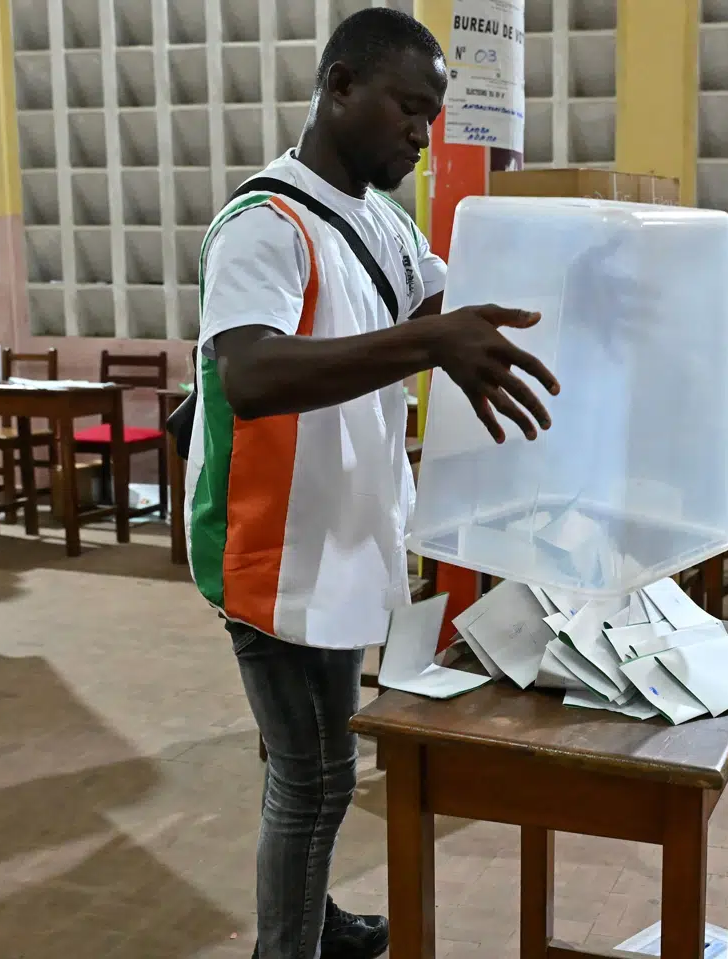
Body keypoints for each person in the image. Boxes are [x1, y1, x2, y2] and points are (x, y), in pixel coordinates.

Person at [184, 10, 560, 958]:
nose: (421, 134)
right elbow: (254, 375)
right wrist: (431, 340)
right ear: (340, 86)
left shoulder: (383, 226)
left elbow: (446, 309)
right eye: (409, 107)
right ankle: (289, 944)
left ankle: (314, 918)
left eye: (433, 116)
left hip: (345, 532)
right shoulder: (261, 224)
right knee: (310, 777)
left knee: (326, 763)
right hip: (271, 544)